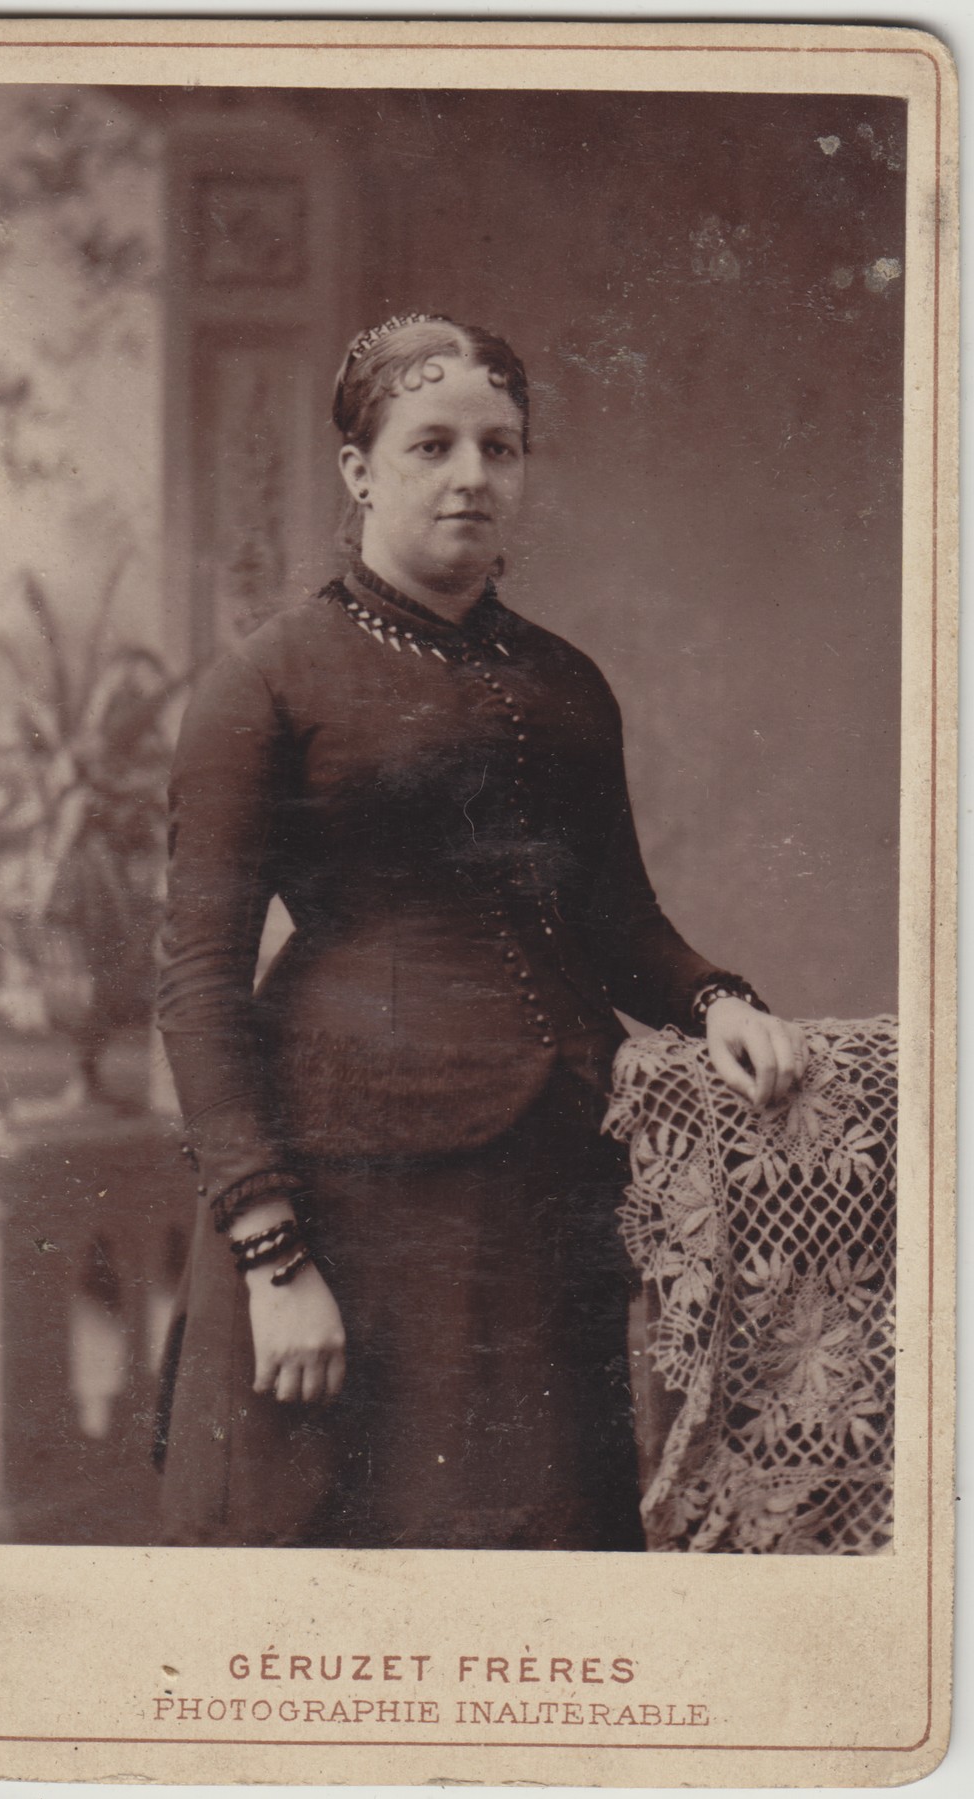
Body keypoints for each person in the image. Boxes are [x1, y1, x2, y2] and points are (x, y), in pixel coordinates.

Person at [154, 313, 807, 1550]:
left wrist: (715, 998)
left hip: (544, 1180)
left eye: (499, 448)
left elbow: (616, 920)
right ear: (358, 471)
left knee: (543, 1544)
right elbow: (197, 983)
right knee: (347, 1556)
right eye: (432, 445)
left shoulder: (566, 682)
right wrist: (272, 1258)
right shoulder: (265, 681)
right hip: (344, 1196)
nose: (471, 476)